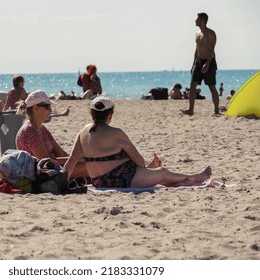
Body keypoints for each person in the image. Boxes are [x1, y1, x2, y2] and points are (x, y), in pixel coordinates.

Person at [64, 96, 212, 188]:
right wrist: (149, 167)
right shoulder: (116, 133)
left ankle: (184, 179)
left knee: (157, 174)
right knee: (162, 173)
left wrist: (61, 181)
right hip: (122, 180)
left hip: (97, 181)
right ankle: (194, 177)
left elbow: (71, 162)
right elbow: (139, 162)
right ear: (110, 114)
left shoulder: (83, 131)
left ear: (92, 113)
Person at [15, 90, 87, 178]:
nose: (50, 110)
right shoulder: (30, 131)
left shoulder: (41, 128)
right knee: (92, 167)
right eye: (47, 106)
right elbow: (46, 162)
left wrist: (77, 158)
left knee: (93, 164)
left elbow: (61, 154)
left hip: (52, 169)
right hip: (40, 174)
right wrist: (75, 159)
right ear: (35, 108)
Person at [181, 12, 219, 116]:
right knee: (192, 85)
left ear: (202, 20)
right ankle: (191, 110)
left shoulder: (211, 33)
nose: (195, 21)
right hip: (198, 61)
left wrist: (207, 64)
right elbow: (196, 49)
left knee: (212, 86)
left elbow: (211, 50)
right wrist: (193, 64)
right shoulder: (197, 33)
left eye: (197, 19)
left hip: (209, 61)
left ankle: (216, 110)